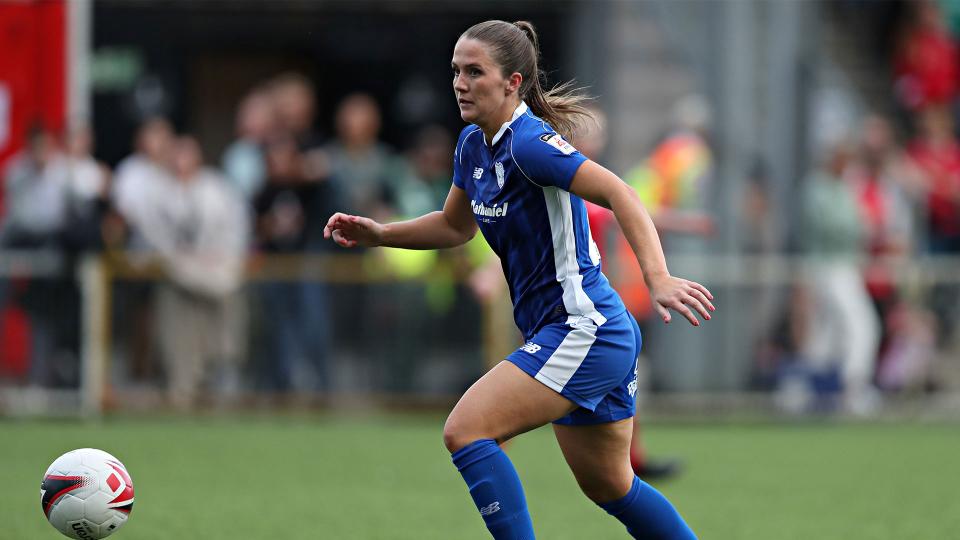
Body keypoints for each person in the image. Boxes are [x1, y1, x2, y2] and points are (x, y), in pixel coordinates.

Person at [324, 20, 711, 539]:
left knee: (466, 430)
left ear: (513, 83)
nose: (460, 82)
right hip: (580, 332)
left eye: (475, 72)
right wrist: (381, 235)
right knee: (611, 487)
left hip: (584, 330)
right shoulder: (472, 145)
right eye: (456, 71)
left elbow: (623, 193)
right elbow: (455, 226)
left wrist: (657, 276)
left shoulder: (530, 144)